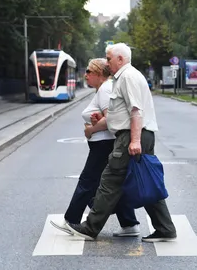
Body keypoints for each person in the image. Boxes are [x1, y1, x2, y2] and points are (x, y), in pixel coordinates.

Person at [65, 43, 177, 243]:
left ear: (120, 59)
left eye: (109, 59)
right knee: (146, 179)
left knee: (109, 180)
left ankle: (90, 228)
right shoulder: (125, 77)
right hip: (135, 134)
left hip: (132, 135)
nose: (107, 63)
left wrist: (134, 140)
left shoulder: (127, 77)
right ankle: (165, 228)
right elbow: (125, 110)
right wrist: (107, 116)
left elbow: (136, 111)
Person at [50, 58, 141, 237]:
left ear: (99, 74)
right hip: (103, 144)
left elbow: (110, 119)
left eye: (89, 72)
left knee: (87, 181)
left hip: (103, 144)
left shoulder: (106, 89)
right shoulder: (104, 89)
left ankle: (71, 220)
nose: (86, 76)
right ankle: (129, 223)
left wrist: (90, 130)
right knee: (110, 185)